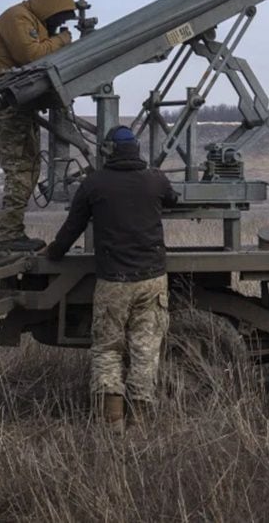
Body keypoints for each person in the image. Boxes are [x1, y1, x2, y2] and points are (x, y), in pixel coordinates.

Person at [45, 126, 179, 431]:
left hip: (113, 283)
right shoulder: (155, 180)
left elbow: (71, 228)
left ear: (108, 152)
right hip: (152, 280)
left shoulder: (95, 184)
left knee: (108, 349)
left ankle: (113, 421)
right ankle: (140, 421)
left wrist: (53, 253)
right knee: (146, 350)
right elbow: (173, 199)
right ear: (136, 150)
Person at [0, 0, 77, 252]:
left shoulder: (31, 20)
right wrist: (62, 40)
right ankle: (7, 237)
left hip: (19, 106)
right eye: (57, 18)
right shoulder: (17, 17)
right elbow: (32, 55)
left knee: (31, 169)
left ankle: (12, 233)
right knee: (20, 172)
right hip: (5, 106)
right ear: (48, 8)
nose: (57, 25)